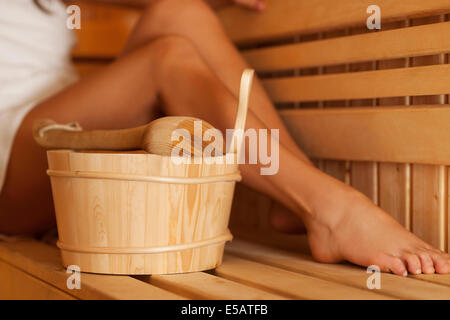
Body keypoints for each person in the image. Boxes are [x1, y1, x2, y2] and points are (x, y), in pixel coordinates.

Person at [1, 0, 449, 276]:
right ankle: (329, 209)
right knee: (167, 59)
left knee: (179, 11)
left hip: (56, 122)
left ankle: (294, 195)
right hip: (12, 161)